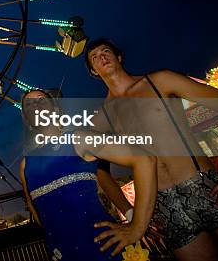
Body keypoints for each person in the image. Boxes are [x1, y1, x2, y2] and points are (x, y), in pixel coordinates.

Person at [85, 38, 218, 261]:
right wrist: (132, 214)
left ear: (119, 57)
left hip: (205, 188)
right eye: (94, 58)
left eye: (106, 51)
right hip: (163, 207)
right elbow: (100, 172)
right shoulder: (101, 119)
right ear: (93, 71)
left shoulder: (160, 81)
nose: (102, 57)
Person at [19, 89, 157, 260]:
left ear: (56, 110)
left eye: (41, 100)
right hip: (62, 251)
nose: (35, 106)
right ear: (26, 118)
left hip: (103, 247)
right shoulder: (26, 164)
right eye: (29, 104)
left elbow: (144, 159)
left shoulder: (79, 139)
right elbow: (36, 209)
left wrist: (137, 227)